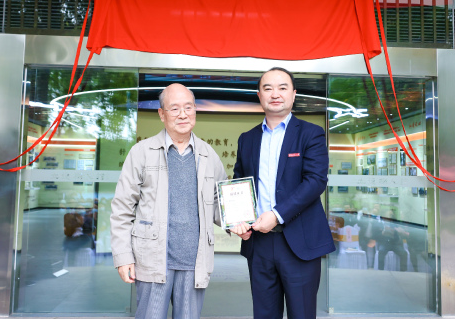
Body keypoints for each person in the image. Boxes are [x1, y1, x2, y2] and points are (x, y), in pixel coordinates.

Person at [110, 83, 227, 319]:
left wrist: (237, 223)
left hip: (194, 262)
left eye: (188, 107)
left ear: (195, 110)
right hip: (152, 260)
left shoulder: (208, 155)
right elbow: (122, 209)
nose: (183, 114)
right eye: (174, 108)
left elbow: (219, 203)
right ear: (162, 114)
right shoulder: (141, 152)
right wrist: (123, 257)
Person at [230, 67, 335, 319]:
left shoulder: (311, 133)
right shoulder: (247, 139)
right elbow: (239, 183)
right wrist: (237, 220)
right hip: (259, 243)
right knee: (264, 314)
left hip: (299, 242)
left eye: (282, 88)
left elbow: (315, 181)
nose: (275, 94)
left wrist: (276, 215)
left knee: (302, 313)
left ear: (293, 94)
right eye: (268, 88)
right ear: (259, 95)